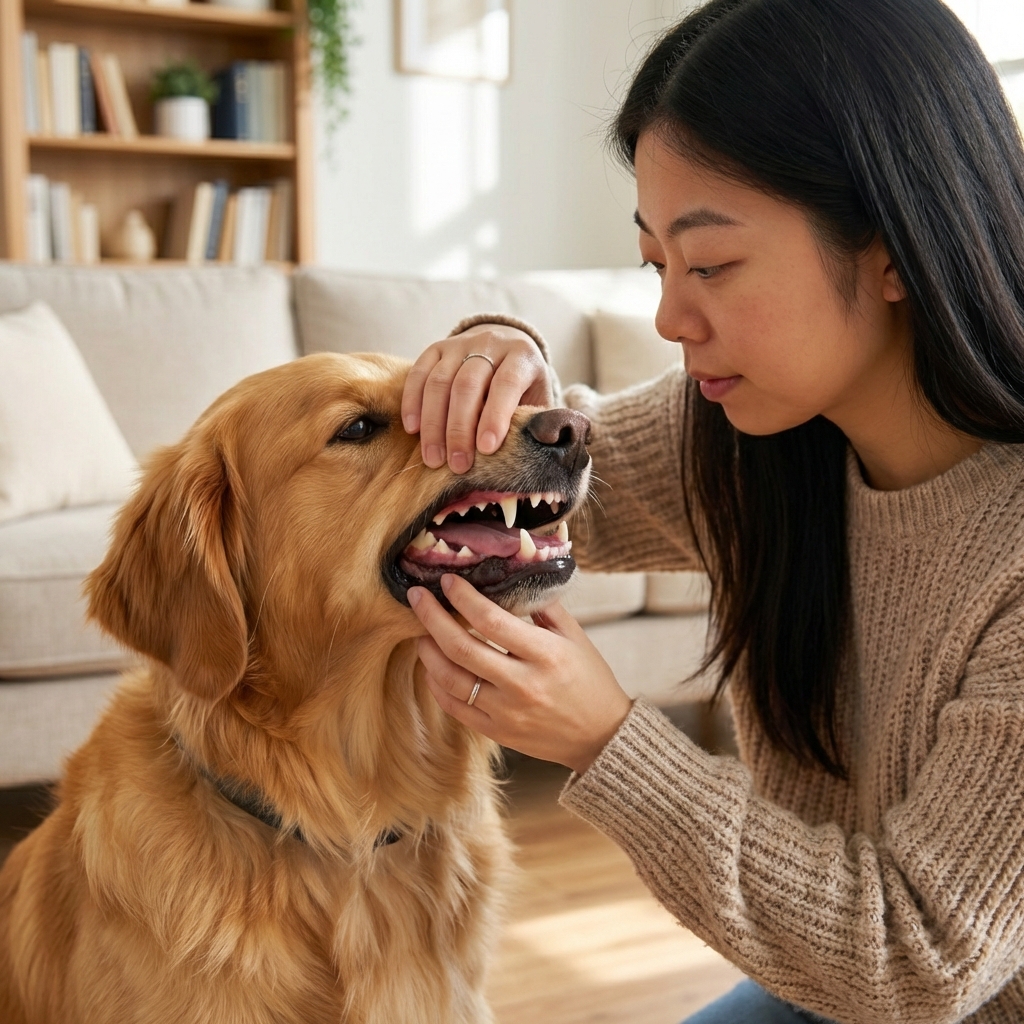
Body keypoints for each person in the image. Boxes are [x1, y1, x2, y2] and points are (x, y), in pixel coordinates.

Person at [400, 0, 1024, 1020]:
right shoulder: (744, 442)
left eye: (711, 265)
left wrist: (607, 741)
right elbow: (554, 484)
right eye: (655, 264)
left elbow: (919, 959)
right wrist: (495, 351)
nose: (667, 317)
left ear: (894, 247)